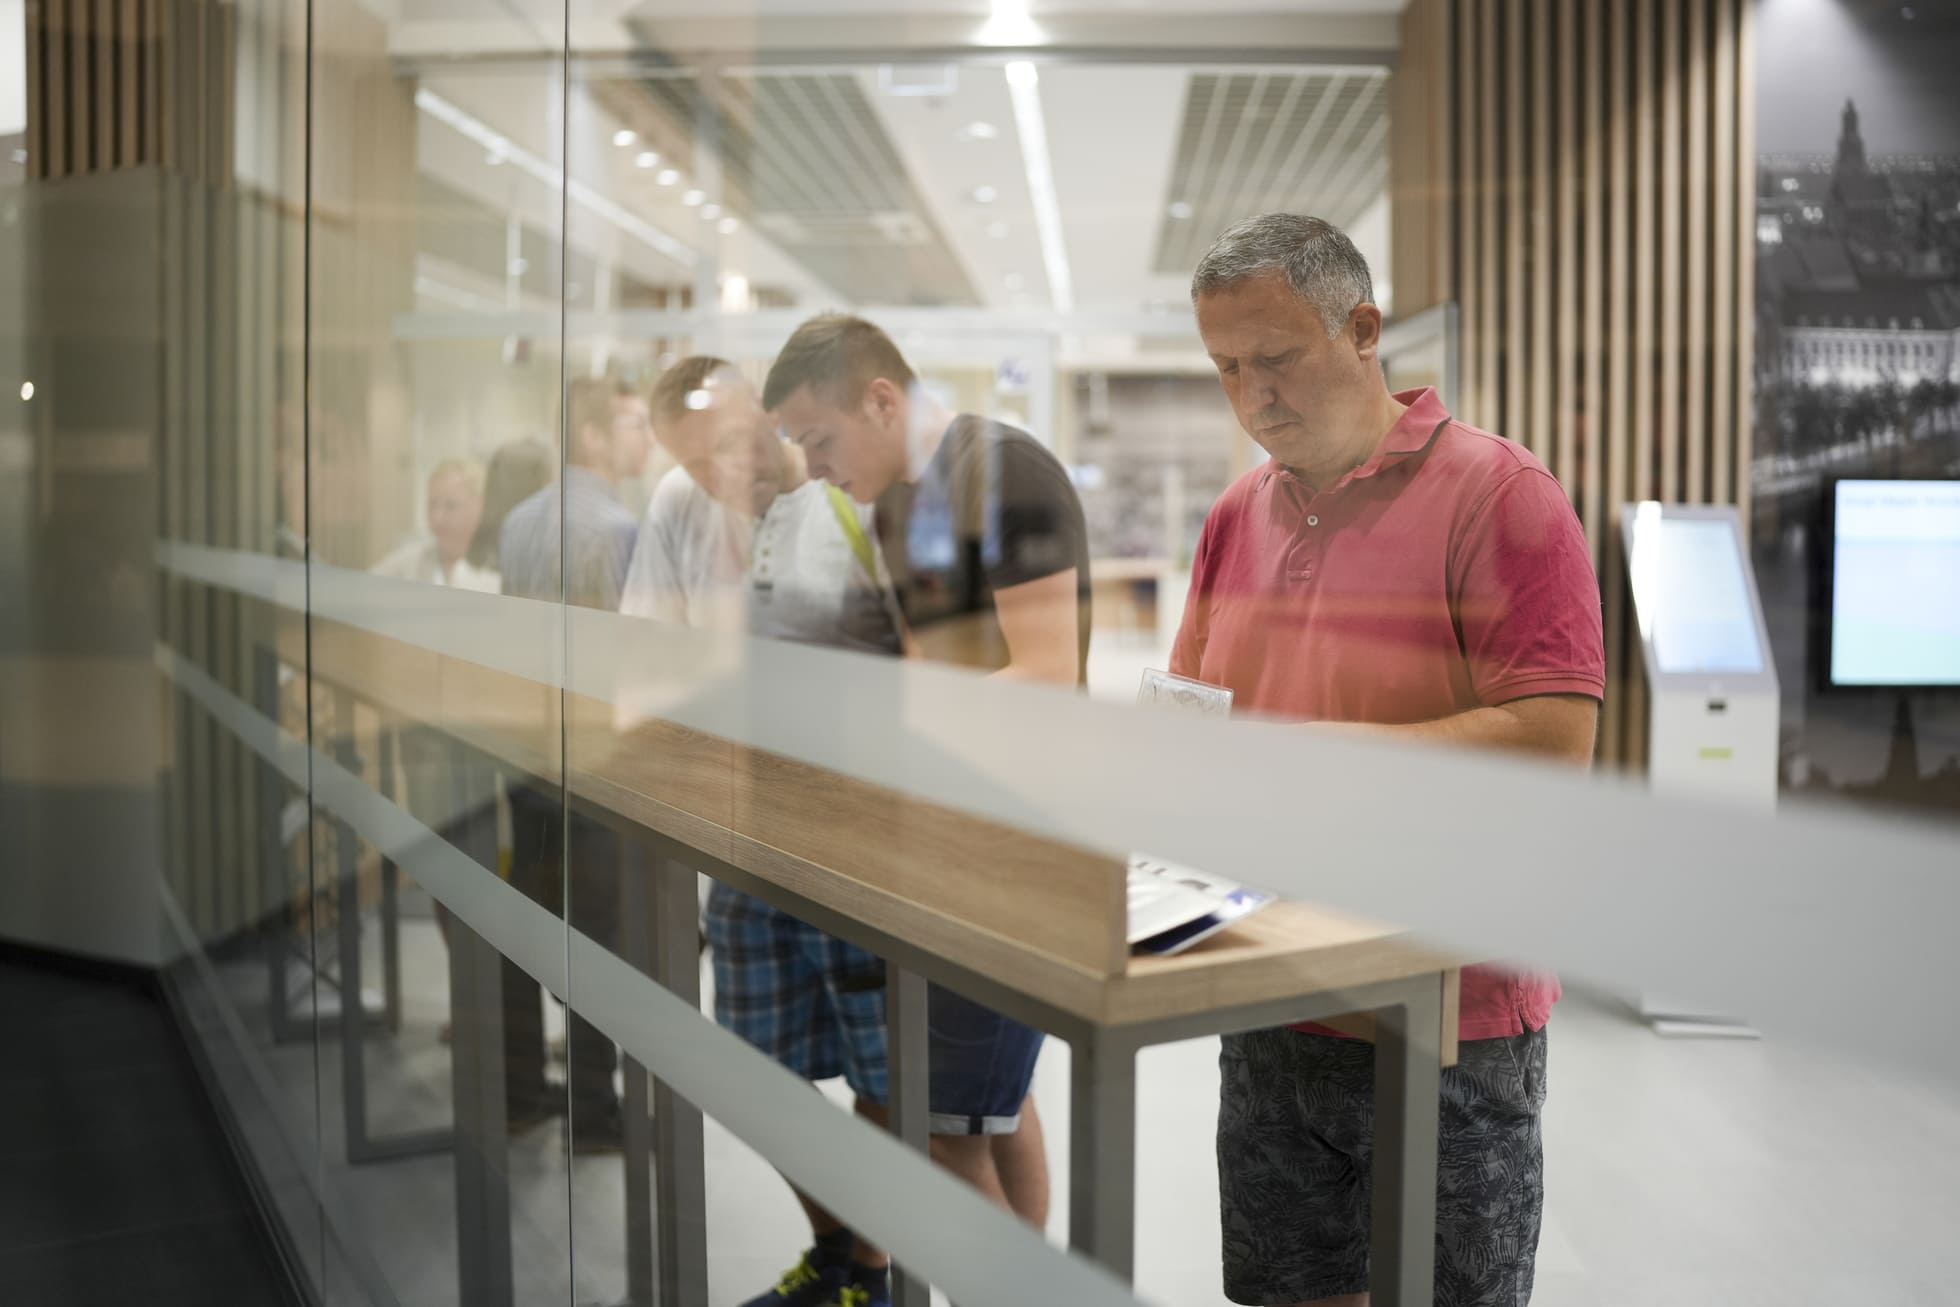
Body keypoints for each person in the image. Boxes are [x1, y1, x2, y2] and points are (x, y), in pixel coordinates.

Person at [1174, 213, 1604, 1307]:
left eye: (1276, 357)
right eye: (1227, 368)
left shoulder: (1500, 496)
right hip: (1271, 995)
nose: (1253, 395)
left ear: (1362, 330)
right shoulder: (1234, 515)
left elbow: (1553, 739)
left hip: (1445, 1009)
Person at [763, 315, 1091, 1261]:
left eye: (819, 439)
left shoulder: (1004, 471)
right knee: (981, 1111)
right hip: (946, 838)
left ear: (881, 400)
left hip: (1013, 841)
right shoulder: (895, 504)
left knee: (946, 1130)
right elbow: (923, 674)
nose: (815, 468)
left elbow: (1046, 674)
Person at [622, 356, 901, 1307]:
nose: (723, 475)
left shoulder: (843, 490)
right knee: (747, 1061)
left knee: (884, 1068)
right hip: (743, 831)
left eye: (733, 446)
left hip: (854, 836)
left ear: (765, 413)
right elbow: (646, 649)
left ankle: (870, 1273)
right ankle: (839, 1248)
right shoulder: (680, 504)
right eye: (697, 463)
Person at [495, 376, 654, 1152]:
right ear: (591, 436)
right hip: (593, 765)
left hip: (526, 760)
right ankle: (594, 1109)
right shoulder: (619, 529)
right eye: (631, 424)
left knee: (526, 927)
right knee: (596, 938)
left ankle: (523, 1090)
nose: (644, 438)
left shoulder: (519, 521)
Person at [371, 457, 500, 591]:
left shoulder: (499, 566)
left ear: (482, 507)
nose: (437, 518)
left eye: (450, 505)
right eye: (432, 505)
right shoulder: (409, 563)